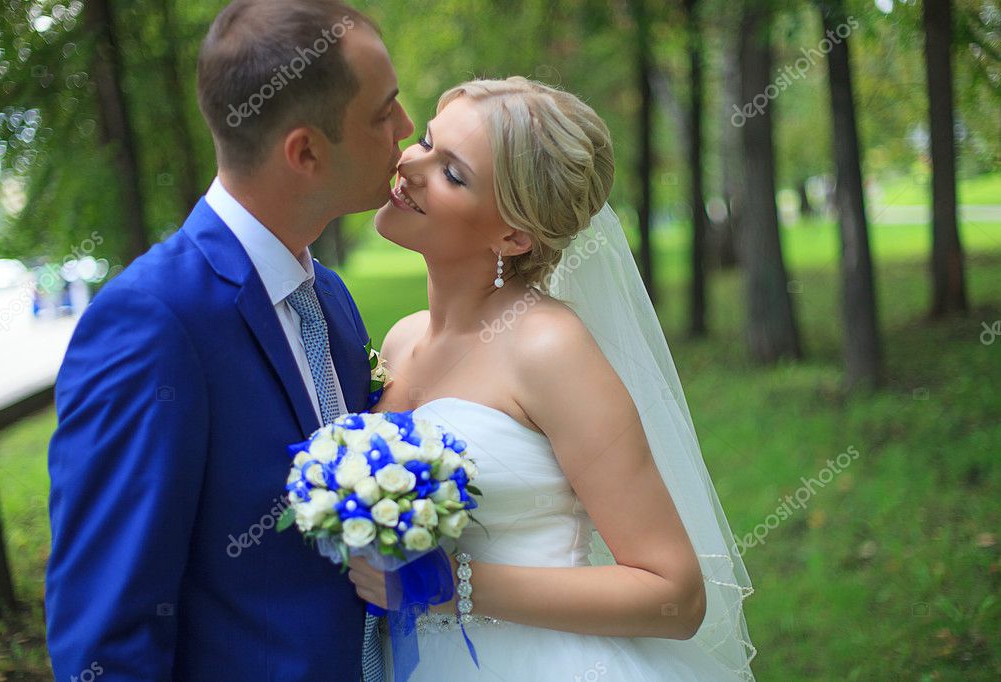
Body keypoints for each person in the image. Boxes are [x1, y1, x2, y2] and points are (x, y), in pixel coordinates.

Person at [44, 1, 412, 679]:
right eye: (382, 112)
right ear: (304, 150)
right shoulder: (150, 324)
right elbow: (107, 630)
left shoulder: (327, 297)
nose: (406, 129)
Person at [348, 77, 756, 680]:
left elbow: (675, 594)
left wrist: (448, 588)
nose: (410, 164)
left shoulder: (547, 346)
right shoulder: (403, 338)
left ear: (513, 236)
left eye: (453, 173)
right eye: (428, 142)